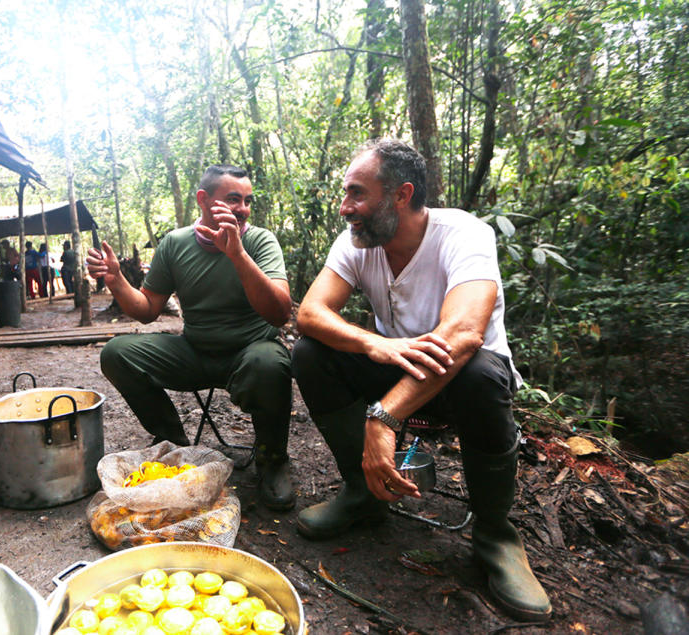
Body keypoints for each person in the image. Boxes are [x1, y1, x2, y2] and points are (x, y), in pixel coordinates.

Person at [291, 139, 551, 622]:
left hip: (460, 384)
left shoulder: (463, 234)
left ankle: (495, 535)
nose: (345, 208)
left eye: (357, 194)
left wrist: (384, 417)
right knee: (310, 353)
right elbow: (310, 313)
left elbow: (465, 332)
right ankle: (362, 494)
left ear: (401, 195)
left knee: (479, 371)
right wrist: (373, 343)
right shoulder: (357, 241)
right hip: (398, 366)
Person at [87, 165, 296, 511]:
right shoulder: (175, 243)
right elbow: (148, 310)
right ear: (203, 199)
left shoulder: (259, 240)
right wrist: (116, 280)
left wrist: (238, 255)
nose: (242, 208)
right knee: (117, 352)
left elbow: (279, 313)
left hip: (250, 353)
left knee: (270, 362)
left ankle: (273, 459)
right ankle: (173, 443)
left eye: (247, 201)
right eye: (233, 199)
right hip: (196, 352)